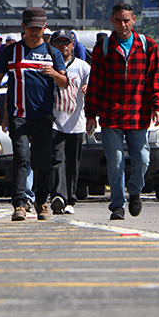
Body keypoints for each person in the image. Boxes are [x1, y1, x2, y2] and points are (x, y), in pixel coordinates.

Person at [0, 7, 67, 222]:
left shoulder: (52, 52)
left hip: (44, 117)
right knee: (21, 157)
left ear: (44, 28)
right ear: (23, 28)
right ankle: (19, 203)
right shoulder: (11, 51)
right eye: (31, 28)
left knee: (43, 162)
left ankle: (41, 201)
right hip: (19, 116)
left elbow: (64, 83)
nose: (35, 33)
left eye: (39, 28)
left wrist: (54, 73)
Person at [85, 3, 159, 221]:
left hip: (139, 113)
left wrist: (158, 107)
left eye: (127, 20)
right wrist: (91, 114)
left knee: (142, 160)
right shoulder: (104, 47)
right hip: (111, 114)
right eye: (119, 20)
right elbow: (95, 83)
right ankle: (117, 206)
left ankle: (135, 190)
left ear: (134, 19)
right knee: (116, 161)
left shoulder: (147, 45)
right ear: (112, 21)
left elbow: (155, 79)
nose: (123, 24)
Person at [50, 29, 90, 215]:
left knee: (72, 162)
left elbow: (93, 86)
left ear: (73, 45)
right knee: (57, 158)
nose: (63, 46)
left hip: (76, 122)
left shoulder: (82, 67)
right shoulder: (48, 65)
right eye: (59, 43)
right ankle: (58, 196)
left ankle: (70, 199)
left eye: (67, 43)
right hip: (54, 121)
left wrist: (88, 87)